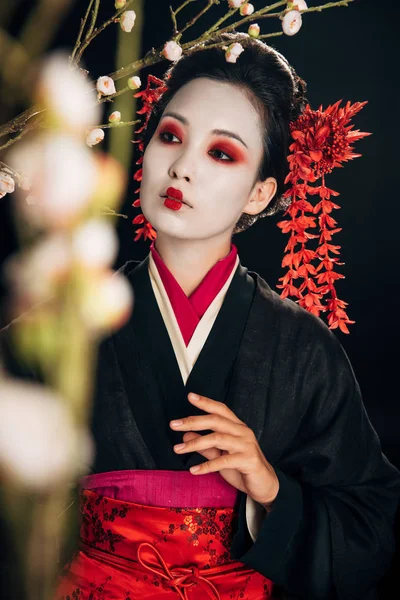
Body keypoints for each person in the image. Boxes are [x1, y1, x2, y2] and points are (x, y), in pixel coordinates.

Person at [4, 32, 400, 600]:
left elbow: (371, 529)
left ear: (260, 193)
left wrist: (270, 489)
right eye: (171, 136)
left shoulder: (300, 348)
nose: (182, 167)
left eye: (221, 152)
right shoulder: (64, 322)